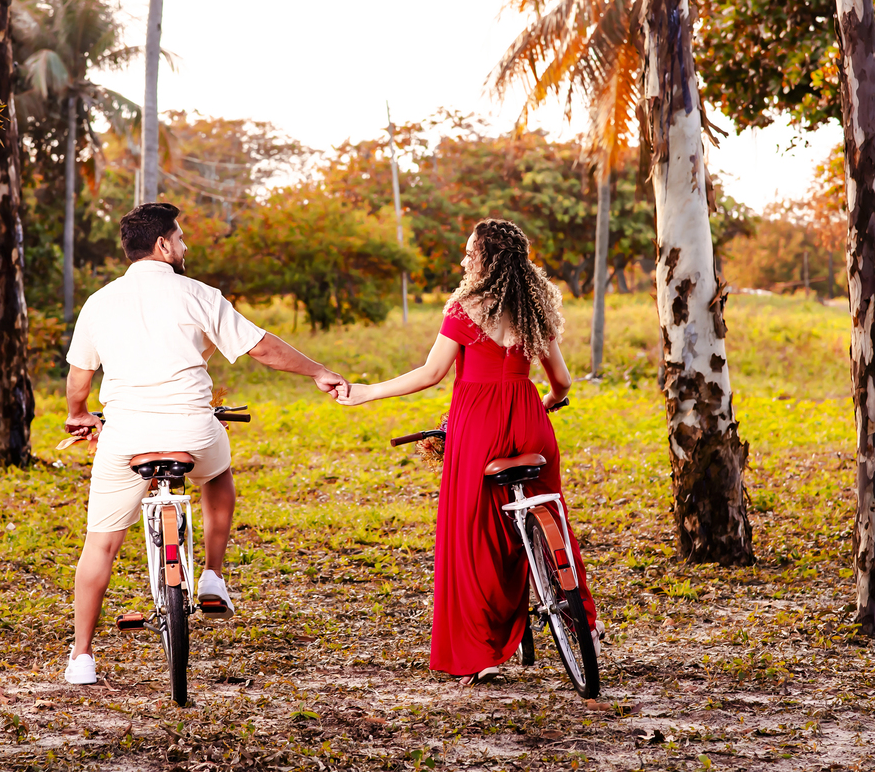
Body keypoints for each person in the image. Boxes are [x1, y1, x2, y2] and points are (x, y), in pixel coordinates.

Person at [62, 202, 350, 685]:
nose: (185, 246)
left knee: (101, 543)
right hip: (192, 430)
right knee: (216, 476)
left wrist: (78, 414)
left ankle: (82, 658)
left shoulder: (99, 302)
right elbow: (261, 347)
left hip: (124, 436)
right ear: (163, 245)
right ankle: (212, 575)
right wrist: (320, 370)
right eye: (180, 238)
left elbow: (79, 378)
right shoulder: (197, 294)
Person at [337, 218, 599, 683]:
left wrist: (365, 392)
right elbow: (561, 381)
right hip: (530, 421)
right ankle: (582, 618)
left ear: (485, 259)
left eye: (469, 252)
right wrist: (547, 403)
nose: (463, 260)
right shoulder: (533, 305)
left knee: (472, 537)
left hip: (477, 428)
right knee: (552, 514)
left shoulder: (465, 308)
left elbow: (430, 374)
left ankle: (480, 649)